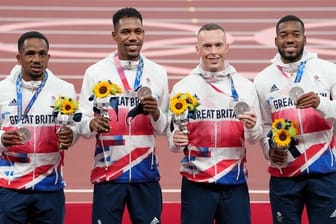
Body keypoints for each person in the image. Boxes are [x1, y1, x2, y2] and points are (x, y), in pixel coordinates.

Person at [78, 7, 169, 224]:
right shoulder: (95, 72)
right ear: (115, 35)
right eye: (126, 31)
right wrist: (91, 124)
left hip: (146, 174)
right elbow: (79, 121)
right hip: (108, 175)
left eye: (138, 31)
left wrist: (156, 112)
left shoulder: (158, 73)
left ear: (144, 34)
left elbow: (166, 127)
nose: (133, 37)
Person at [167, 23, 263, 224]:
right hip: (196, 184)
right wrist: (176, 140)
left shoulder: (245, 87)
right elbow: (174, 143)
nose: (213, 52)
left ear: (226, 47)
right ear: (197, 49)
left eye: (218, 45)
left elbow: (255, 138)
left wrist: (253, 126)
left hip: (234, 182)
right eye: (207, 46)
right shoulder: (182, 88)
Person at [254, 15, 336, 224]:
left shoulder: (328, 70)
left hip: (325, 172)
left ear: (305, 39)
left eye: (296, 34)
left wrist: (320, 104)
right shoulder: (263, 79)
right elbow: (263, 125)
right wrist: (268, 150)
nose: (290, 39)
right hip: (285, 175)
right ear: (276, 41)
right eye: (284, 35)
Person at [0, 31, 78, 223]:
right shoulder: (2, 90)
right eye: (30, 54)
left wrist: (72, 135)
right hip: (11, 186)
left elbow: (73, 129)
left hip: (50, 186)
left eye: (42, 54)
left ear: (48, 57)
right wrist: (1, 138)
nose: (37, 59)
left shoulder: (64, 89)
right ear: (19, 58)